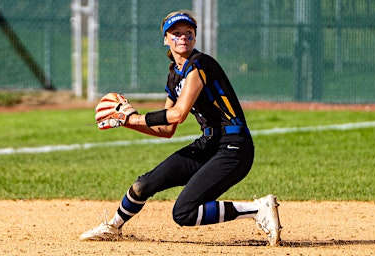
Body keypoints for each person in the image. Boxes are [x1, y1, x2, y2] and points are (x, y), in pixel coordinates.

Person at [79, 10, 282, 246]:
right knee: (144, 184)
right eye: (176, 33)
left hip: (234, 147)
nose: (183, 37)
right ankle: (113, 226)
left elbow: (178, 113)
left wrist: (135, 118)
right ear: (165, 38)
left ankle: (257, 209)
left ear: (195, 37)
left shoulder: (200, 64)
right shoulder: (174, 77)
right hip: (209, 144)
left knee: (183, 212)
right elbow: (168, 129)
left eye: (188, 33)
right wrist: (126, 122)